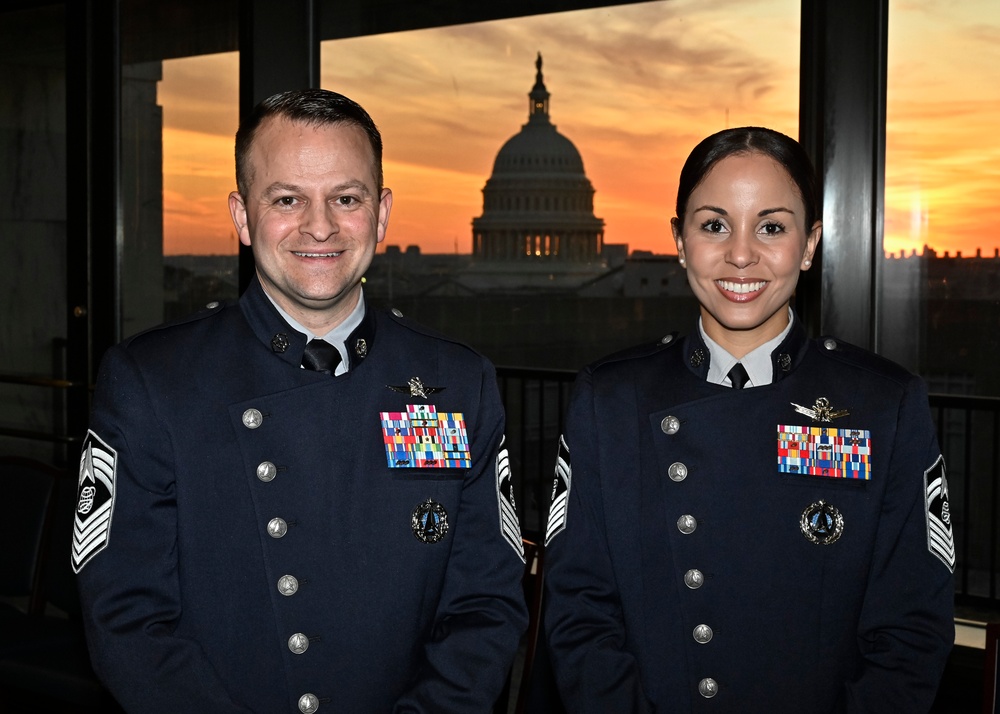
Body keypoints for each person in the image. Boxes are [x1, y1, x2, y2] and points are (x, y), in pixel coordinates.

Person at [72, 88, 528, 713]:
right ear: (241, 216)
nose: (321, 226)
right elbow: (127, 619)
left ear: (382, 212)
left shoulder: (458, 381)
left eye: (347, 198)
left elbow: (485, 606)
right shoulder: (154, 382)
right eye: (287, 199)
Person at [542, 126, 955, 713]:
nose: (741, 254)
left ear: (809, 245)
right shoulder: (610, 399)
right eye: (713, 225)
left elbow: (911, 629)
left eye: (772, 227)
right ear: (679, 240)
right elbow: (578, 613)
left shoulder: (884, 405)